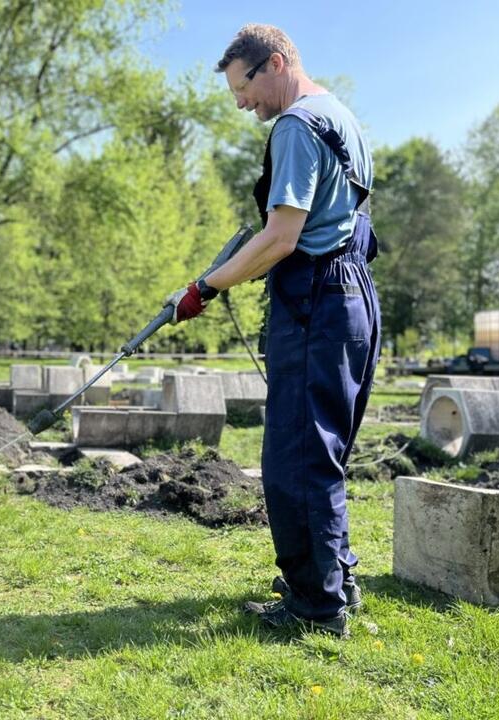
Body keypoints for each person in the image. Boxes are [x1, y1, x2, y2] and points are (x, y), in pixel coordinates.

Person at [166, 23, 381, 637]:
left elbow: (282, 238)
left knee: (295, 455)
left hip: (316, 300)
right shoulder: (338, 114)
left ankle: (316, 608)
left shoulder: (295, 125)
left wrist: (203, 289)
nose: (242, 104)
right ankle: (332, 579)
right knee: (324, 451)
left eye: (244, 87)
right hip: (353, 296)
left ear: (276, 63)